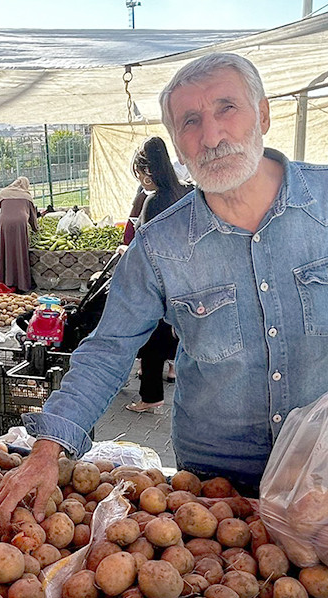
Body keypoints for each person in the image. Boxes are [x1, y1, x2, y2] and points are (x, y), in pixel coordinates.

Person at [0, 53, 328, 523]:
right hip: (215, 479)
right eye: (190, 122)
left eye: (227, 109)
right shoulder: (160, 244)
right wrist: (48, 448)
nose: (212, 136)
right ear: (178, 144)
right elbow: (108, 349)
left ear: (262, 114)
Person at [125, 137, 193, 413]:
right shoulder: (186, 192)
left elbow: (146, 248)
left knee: (152, 341)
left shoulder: (153, 202)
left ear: (149, 171)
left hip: (160, 284)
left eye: (140, 173)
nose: (140, 180)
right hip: (186, 280)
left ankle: (150, 398)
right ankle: (178, 387)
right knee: (178, 336)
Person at [0, 177, 38, 292]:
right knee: (19, 251)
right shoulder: (27, 196)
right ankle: (21, 283)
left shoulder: (4, 193)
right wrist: (35, 229)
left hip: (4, 223)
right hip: (20, 224)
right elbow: (32, 216)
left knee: (5, 250)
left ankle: (5, 281)